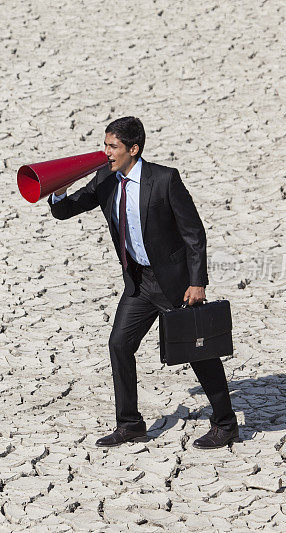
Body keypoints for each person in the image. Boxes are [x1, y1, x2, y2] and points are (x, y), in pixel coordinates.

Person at [48, 117, 238, 449]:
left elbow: (194, 234)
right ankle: (130, 425)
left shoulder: (164, 179)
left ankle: (225, 424)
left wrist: (197, 282)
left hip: (175, 283)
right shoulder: (106, 177)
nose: (105, 152)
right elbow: (67, 210)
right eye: (105, 144)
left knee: (199, 353)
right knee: (120, 344)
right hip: (139, 282)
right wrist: (60, 187)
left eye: (112, 146)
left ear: (133, 149)